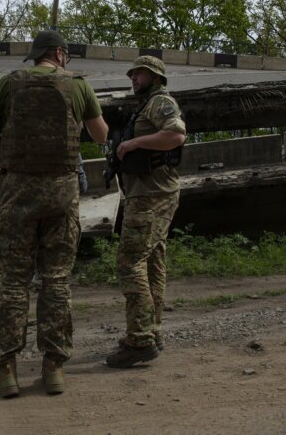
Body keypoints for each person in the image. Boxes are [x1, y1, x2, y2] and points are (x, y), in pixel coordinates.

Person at [0, 30, 108, 397]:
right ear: (60, 54)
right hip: (62, 196)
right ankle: (54, 368)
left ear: (37, 55)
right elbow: (102, 135)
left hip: (18, 195)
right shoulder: (78, 86)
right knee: (56, 280)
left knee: (14, 281)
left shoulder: (10, 83)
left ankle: (6, 371)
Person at [106, 55, 186, 369]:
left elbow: (176, 135)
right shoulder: (146, 105)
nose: (133, 78)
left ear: (154, 76)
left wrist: (133, 144)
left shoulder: (161, 103)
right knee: (152, 261)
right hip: (149, 193)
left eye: (138, 73)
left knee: (129, 261)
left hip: (151, 196)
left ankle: (139, 340)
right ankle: (151, 330)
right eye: (133, 73)